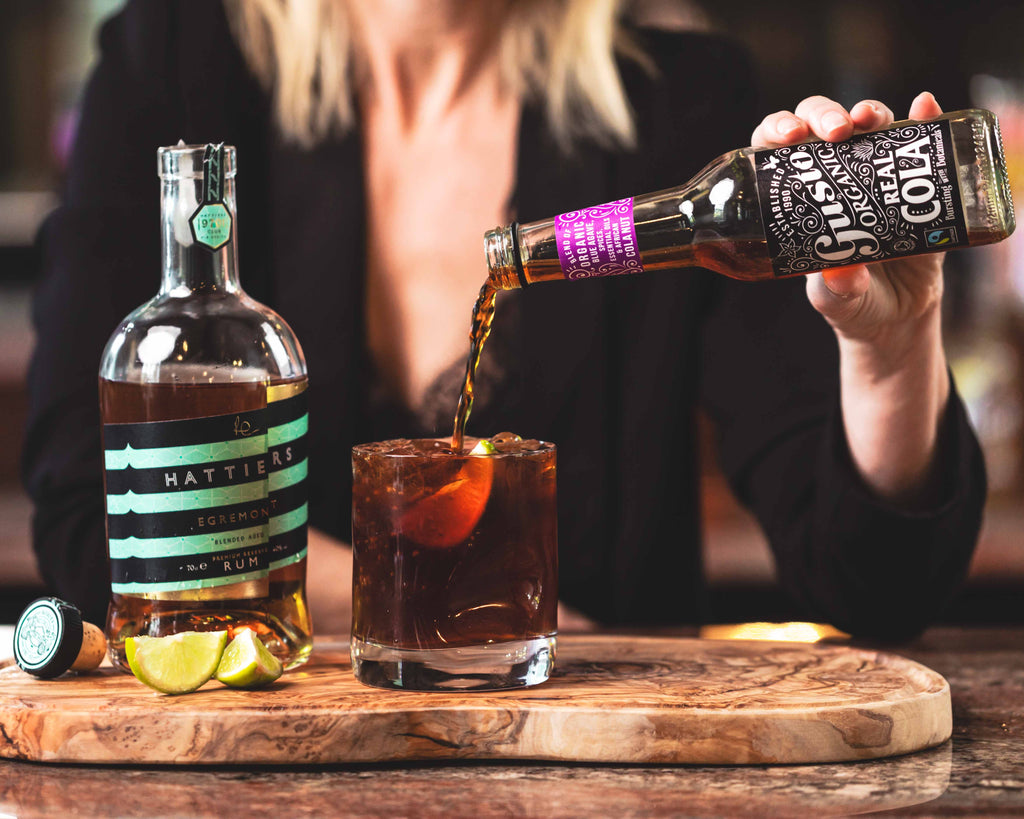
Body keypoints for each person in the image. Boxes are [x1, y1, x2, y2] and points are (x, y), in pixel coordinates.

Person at [24, 0, 985, 640]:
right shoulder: (178, 64)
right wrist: (476, 628)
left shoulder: (684, 101)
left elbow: (876, 586)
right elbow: (95, 516)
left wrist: (892, 346)